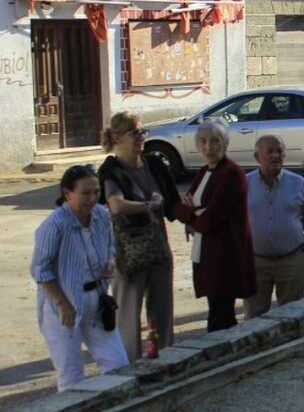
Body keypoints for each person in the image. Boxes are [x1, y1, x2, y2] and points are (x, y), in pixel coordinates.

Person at [32, 165, 129, 391]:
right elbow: (40, 270)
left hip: (96, 298)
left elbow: (110, 248)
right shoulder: (54, 225)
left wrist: (110, 263)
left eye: (96, 192)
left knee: (118, 363)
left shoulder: (102, 215)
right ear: (67, 194)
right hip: (62, 304)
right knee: (71, 374)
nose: (92, 198)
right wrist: (63, 304)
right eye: (85, 193)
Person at [97, 111, 180, 362]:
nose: (140, 138)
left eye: (143, 132)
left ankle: (164, 361)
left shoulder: (154, 164)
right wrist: (148, 206)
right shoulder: (111, 170)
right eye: (134, 133)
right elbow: (116, 206)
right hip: (128, 256)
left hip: (158, 250)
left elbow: (173, 202)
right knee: (128, 319)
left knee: (162, 315)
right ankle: (129, 369)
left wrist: (191, 217)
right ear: (117, 137)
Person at [174, 121, 256, 332]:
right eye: (202, 142)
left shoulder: (231, 173)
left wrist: (192, 214)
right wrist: (194, 213)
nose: (208, 147)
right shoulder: (204, 171)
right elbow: (179, 210)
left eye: (214, 141)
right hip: (206, 254)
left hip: (225, 257)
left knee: (222, 317)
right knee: (216, 311)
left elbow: (209, 220)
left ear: (225, 143)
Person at [244, 135, 304, 318]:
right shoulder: (245, 184)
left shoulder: (298, 183)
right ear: (257, 158)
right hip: (256, 262)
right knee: (254, 319)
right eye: (269, 152)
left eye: (279, 151)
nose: (275, 156)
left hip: (291, 260)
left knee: (292, 318)